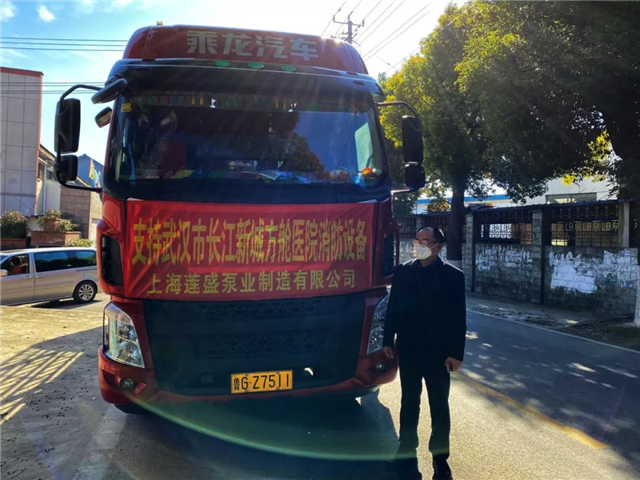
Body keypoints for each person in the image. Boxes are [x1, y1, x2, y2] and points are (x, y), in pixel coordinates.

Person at [383, 226, 467, 480]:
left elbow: (458, 318)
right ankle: (406, 451)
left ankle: (440, 460)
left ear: (438, 246)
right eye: (417, 241)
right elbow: (393, 308)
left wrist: (456, 354)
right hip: (409, 347)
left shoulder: (452, 276)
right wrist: (388, 340)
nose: (419, 245)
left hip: (438, 353)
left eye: (425, 241)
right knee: (409, 402)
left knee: (439, 406)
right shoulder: (404, 272)